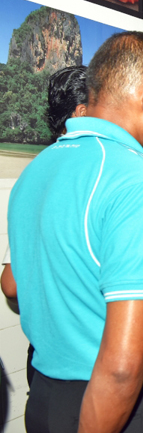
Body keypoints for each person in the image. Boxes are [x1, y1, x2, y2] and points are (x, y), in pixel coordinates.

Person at [8, 31, 143, 433]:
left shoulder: (37, 169)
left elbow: (19, 285)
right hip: (123, 406)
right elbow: (125, 365)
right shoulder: (137, 181)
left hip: (48, 397)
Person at [2, 65, 89, 388]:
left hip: (43, 357)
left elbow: (11, 284)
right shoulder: (97, 173)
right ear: (82, 113)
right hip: (87, 361)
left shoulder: (33, 174)